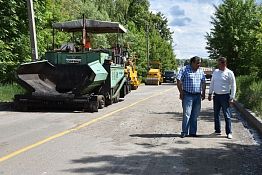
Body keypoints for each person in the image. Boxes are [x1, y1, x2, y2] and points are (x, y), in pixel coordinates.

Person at [176, 56, 206, 138]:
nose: (199, 65)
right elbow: (178, 80)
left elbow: (203, 82)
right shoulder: (184, 69)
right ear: (192, 63)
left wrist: (203, 92)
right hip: (187, 95)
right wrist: (181, 92)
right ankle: (184, 132)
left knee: (195, 115)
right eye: (197, 63)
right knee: (187, 114)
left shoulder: (201, 71)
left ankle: (193, 132)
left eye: (200, 63)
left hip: (197, 95)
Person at [208, 57, 236, 139]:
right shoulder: (215, 72)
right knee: (216, 114)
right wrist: (210, 93)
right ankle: (217, 130)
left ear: (224, 63)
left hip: (225, 96)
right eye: (218, 63)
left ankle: (229, 132)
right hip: (216, 96)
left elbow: (233, 85)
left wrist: (232, 97)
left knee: (227, 115)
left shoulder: (229, 73)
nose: (218, 65)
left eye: (220, 63)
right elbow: (212, 83)